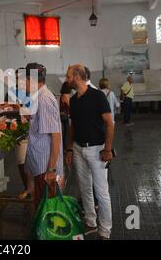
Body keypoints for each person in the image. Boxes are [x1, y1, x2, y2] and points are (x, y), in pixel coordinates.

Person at [65, 64, 114, 240]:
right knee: (85, 188)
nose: (67, 79)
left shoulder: (97, 96)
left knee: (101, 191)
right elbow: (72, 126)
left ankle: (105, 230)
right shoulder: (74, 99)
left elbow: (109, 123)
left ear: (77, 76)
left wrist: (107, 149)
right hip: (78, 148)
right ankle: (91, 222)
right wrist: (69, 148)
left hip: (97, 150)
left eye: (68, 76)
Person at [23, 63, 63, 209]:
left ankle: (45, 232)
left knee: (47, 209)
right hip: (40, 163)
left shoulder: (44, 99)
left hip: (45, 166)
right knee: (41, 206)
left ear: (30, 79)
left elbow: (56, 136)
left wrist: (52, 169)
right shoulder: (38, 97)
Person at [4, 68, 34, 200]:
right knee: (22, 161)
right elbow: (5, 108)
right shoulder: (11, 92)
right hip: (19, 129)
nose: (18, 81)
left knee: (36, 161)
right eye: (16, 78)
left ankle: (36, 188)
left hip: (35, 130)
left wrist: (20, 108)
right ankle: (27, 187)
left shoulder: (33, 92)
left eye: (21, 78)